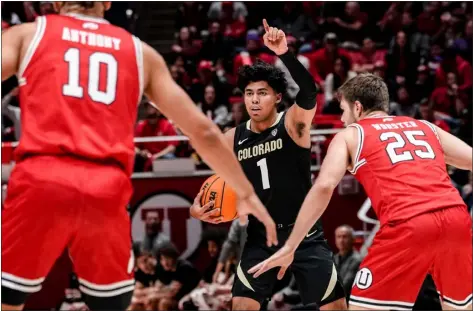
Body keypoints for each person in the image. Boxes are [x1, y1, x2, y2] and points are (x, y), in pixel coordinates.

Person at [1, 2, 277, 310]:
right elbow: (205, 133)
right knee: (112, 304)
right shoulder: (139, 52)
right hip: (104, 188)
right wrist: (246, 191)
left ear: (54, 2)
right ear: (107, 2)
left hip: (41, 178)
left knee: (7, 300)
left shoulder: (28, 34)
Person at [249, 73, 472, 310]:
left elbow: (324, 186)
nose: (343, 118)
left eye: (343, 110)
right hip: (457, 219)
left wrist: (290, 246)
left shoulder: (351, 134)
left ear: (357, 107)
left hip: (409, 223)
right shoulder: (425, 127)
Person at [191, 20, 347, 310]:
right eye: (249, 94)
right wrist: (195, 209)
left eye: (261, 93)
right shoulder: (232, 138)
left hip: (305, 235)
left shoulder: (292, 123)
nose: (254, 100)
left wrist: (284, 54)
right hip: (261, 238)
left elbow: (309, 91)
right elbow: (211, 187)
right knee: (241, 306)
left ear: (277, 97)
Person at [333, 225, 361, 299]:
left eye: (344, 237)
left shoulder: (357, 260)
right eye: (338, 237)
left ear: (353, 239)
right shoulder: (333, 258)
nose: (341, 240)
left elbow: (345, 286)